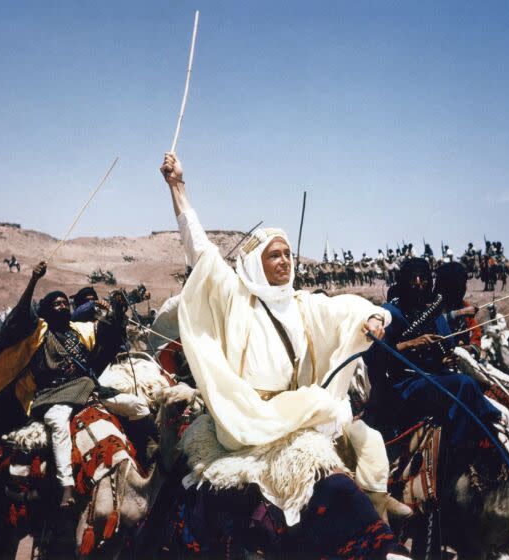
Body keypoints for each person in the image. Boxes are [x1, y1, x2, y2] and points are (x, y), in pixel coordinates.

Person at [159, 153, 411, 558]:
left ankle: (378, 514)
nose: (283, 262)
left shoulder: (302, 303)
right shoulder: (235, 296)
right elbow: (201, 250)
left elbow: (343, 308)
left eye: (288, 254)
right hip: (250, 415)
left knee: (371, 444)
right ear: (257, 263)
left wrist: (371, 318)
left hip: (299, 410)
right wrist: (178, 188)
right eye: (274, 255)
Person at [0, 262, 156, 508]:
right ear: (47, 311)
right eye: (57, 304)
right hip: (54, 395)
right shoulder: (36, 334)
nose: (63, 306)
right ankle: (66, 487)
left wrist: (117, 307)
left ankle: (151, 452)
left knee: (136, 404)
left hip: (87, 389)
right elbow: (18, 316)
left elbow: (108, 333)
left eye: (65, 303)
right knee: (58, 426)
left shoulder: (81, 330)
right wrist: (33, 280)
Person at [363, 258, 501, 450]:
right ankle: (457, 446)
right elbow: (374, 355)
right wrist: (411, 344)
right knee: (464, 384)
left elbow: (446, 346)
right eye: (413, 278)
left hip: (435, 376)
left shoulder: (433, 310)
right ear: (404, 280)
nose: (419, 282)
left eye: (423, 278)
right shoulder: (391, 312)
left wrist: (445, 357)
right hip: (405, 384)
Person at [434, 262, 481, 357]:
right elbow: (433, 324)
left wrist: (471, 348)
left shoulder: (464, 306)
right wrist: (458, 313)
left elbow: (476, 333)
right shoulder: (433, 306)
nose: (465, 288)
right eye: (462, 284)